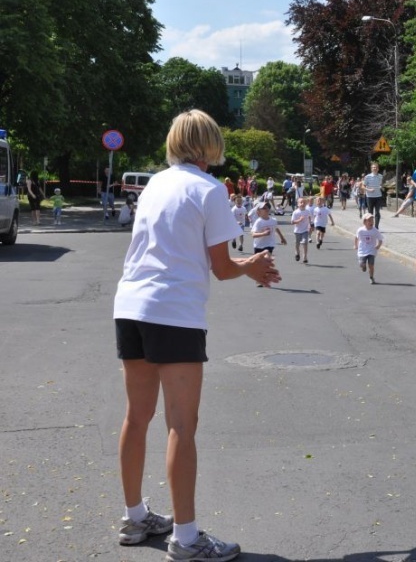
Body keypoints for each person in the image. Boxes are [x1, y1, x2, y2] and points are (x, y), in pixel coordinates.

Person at [114, 109, 280, 561]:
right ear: (210, 144)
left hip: (130, 306)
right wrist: (253, 267)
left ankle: (134, 517)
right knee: (182, 426)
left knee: (137, 416)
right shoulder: (209, 190)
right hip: (174, 311)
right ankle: (186, 539)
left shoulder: (155, 183)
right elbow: (223, 268)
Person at [355, 212, 383, 285]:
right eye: (369, 221)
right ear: (364, 222)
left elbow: (380, 239)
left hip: (371, 250)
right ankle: (363, 266)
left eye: (372, 220)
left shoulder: (375, 230)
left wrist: (378, 245)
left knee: (371, 265)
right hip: (362, 250)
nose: (371, 222)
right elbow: (356, 238)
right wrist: (355, 245)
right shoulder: (360, 230)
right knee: (362, 264)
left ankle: (371, 277)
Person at [291, 197, 313, 263]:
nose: (302, 204)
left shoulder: (307, 211)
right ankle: (297, 253)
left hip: (305, 230)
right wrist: (299, 220)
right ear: (298, 204)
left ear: (306, 204)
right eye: (301, 202)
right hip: (297, 231)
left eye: (304, 202)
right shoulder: (295, 212)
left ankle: (305, 257)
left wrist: (309, 225)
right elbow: (292, 222)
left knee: (305, 243)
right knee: (297, 244)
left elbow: (309, 218)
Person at [364, 164, 384, 228]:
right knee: (370, 212)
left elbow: (381, 184)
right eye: (373, 167)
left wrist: (381, 186)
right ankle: (370, 226)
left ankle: (376, 227)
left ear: (378, 169)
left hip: (378, 196)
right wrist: (368, 189)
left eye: (376, 167)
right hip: (370, 196)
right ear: (371, 169)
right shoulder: (367, 177)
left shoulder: (381, 176)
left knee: (377, 212)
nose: (374, 168)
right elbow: (363, 186)